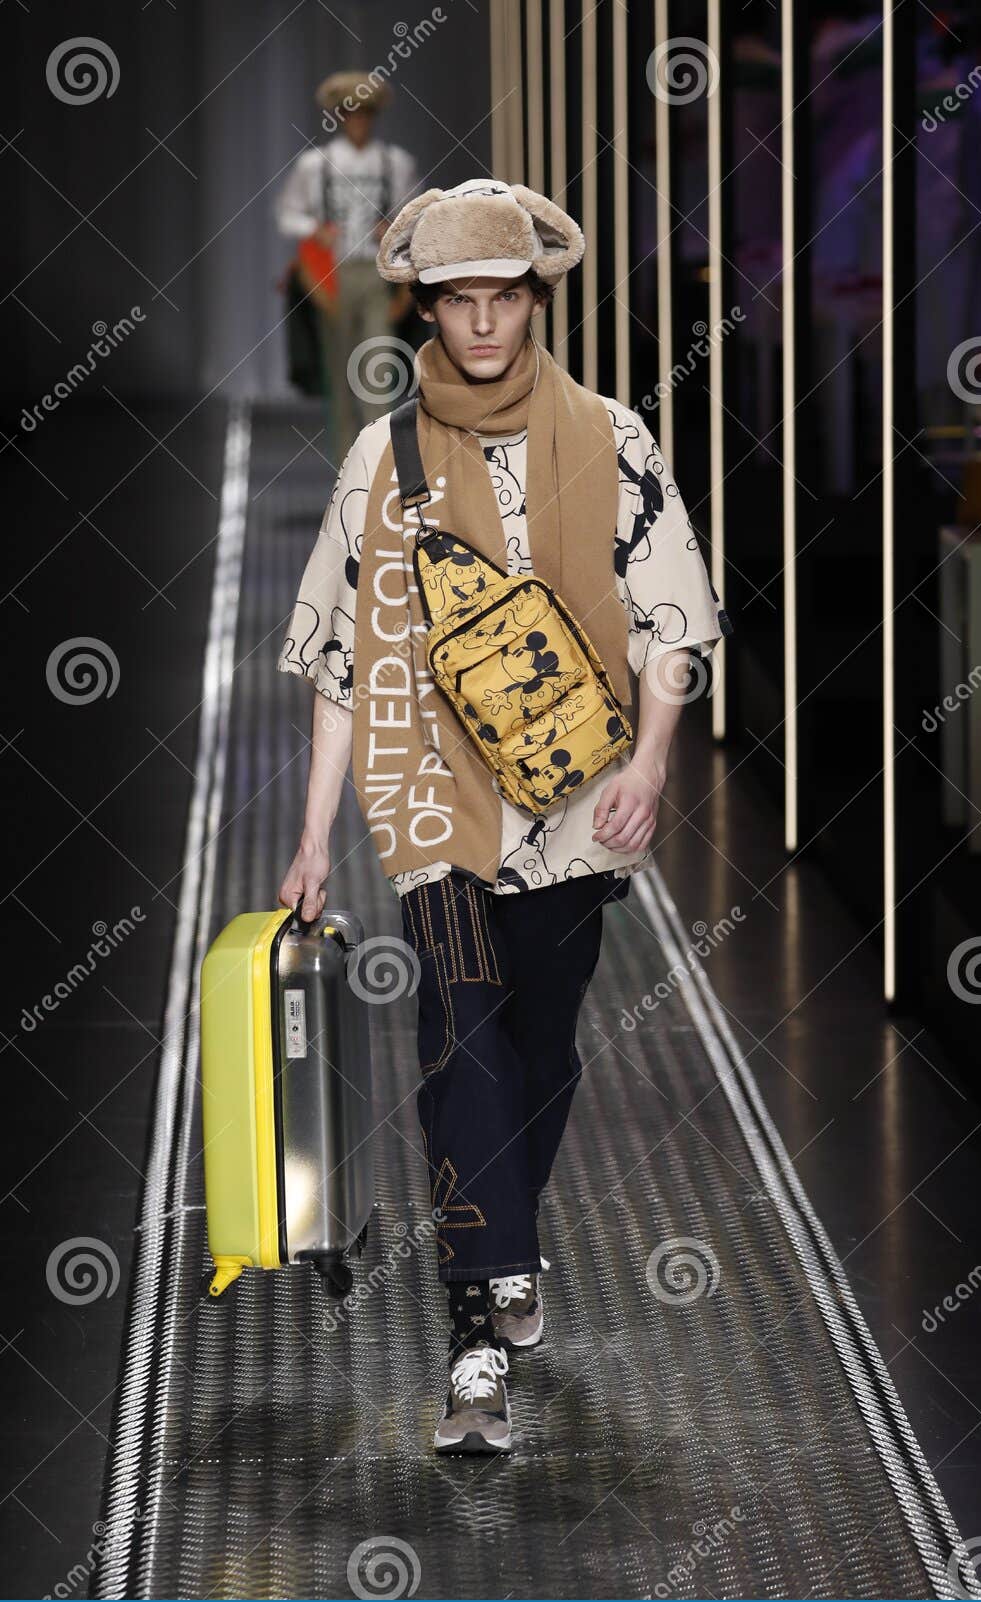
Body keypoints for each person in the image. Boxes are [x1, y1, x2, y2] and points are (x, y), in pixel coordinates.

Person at [277, 178, 731, 1456]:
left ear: (535, 299)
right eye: (458, 299)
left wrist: (648, 765)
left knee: (540, 1045)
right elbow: (342, 665)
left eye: (502, 297)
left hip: (583, 804)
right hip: (438, 806)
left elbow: (672, 623)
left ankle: (507, 1248)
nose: (481, 322)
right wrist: (315, 837)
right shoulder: (385, 457)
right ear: (428, 305)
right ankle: (477, 1331)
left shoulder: (612, 439)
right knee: (458, 1042)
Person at [274, 71, 419, 462]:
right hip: (331, 277)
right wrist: (314, 229)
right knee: (338, 374)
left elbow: (415, 215)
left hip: (375, 275)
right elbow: (287, 214)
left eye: (365, 112)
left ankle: (379, 466)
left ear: (374, 116)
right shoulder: (315, 165)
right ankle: (345, 469)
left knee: (377, 368)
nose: (358, 120)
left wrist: (394, 227)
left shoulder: (395, 162)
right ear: (339, 115)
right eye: (351, 112)